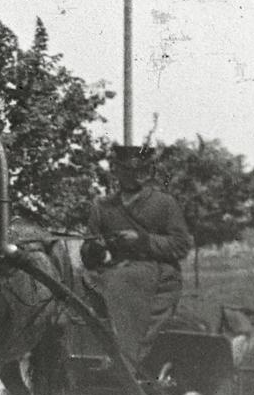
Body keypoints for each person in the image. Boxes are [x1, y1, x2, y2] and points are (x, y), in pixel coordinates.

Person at [80, 143, 191, 376]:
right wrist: (95, 248)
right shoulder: (103, 206)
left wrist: (141, 240)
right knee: (80, 282)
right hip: (114, 268)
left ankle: (123, 360)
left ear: (149, 172)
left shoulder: (164, 203)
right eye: (128, 171)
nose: (136, 176)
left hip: (157, 271)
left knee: (121, 281)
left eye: (142, 171)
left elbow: (181, 245)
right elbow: (88, 252)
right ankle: (82, 354)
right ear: (117, 172)